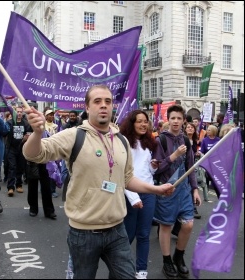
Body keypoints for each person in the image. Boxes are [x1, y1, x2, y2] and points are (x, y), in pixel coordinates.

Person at [22, 84, 174, 279]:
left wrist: (156, 189)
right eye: (97, 101)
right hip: (84, 233)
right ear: (87, 107)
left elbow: (127, 178)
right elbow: (34, 154)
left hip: (117, 230)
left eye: (108, 101)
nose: (103, 105)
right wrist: (36, 133)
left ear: (113, 107)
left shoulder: (122, 140)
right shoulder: (74, 135)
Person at [153, 104, 201, 279]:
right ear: (168, 119)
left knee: (188, 224)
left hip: (184, 190)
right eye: (172, 118)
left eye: (179, 118)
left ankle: (178, 256)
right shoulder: (160, 140)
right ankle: (167, 261)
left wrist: (195, 189)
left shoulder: (186, 140)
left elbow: (191, 167)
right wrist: (173, 156)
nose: (176, 121)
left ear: (183, 121)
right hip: (167, 189)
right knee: (166, 226)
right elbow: (156, 169)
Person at [120, 110, 159, 279]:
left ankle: (141, 271)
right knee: (128, 235)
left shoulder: (149, 142)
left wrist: (153, 167)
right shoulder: (123, 143)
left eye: (146, 122)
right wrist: (133, 198)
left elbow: (147, 172)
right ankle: (121, 268)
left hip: (148, 193)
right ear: (131, 123)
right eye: (139, 121)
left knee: (144, 235)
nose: (143, 125)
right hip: (130, 195)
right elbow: (123, 173)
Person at [5, 106, 31, 196]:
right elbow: (5, 132)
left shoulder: (26, 123)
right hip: (11, 148)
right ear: (14, 113)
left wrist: (26, 138)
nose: (19, 113)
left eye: (21, 112)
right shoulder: (9, 122)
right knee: (12, 167)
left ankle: (19, 185)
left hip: (21, 149)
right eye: (17, 112)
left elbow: (29, 133)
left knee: (20, 167)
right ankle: (11, 187)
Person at [200, 125, 220, 198]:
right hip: (208, 162)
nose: (207, 131)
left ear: (213, 131)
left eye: (209, 130)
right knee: (208, 176)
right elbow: (202, 151)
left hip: (216, 162)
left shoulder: (218, 140)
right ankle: (206, 188)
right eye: (207, 130)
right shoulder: (205, 140)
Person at [44, 109, 59, 198]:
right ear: (46, 116)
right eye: (49, 115)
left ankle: (53, 190)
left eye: (52, 115)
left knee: (54, 170)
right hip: (44, 150)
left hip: (54, 150)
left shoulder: (56, 126)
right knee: (45, 171)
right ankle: (45, 189)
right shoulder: (43, 126)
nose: (51, 116)